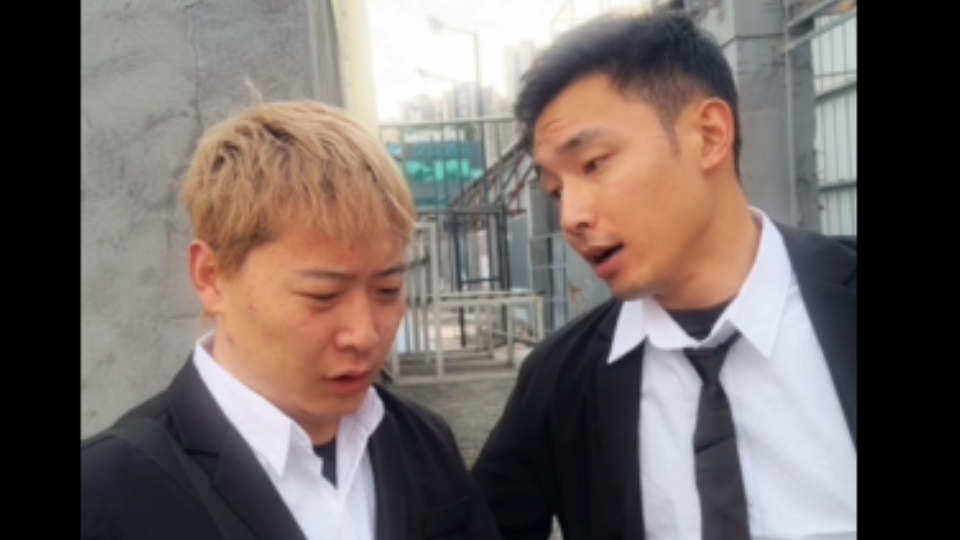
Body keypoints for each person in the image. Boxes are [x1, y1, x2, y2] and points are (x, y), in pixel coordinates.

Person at [471, 10, 856, 540]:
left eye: (594, 164)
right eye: (556, 191)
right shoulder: (561, 380)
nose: (572, 217)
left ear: (709, 135)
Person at [81, 96, 502, 540]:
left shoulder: (423, 442)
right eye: (322, 296)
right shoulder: (110, 491)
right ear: (211, 277)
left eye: (387, 290)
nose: (364, 334)